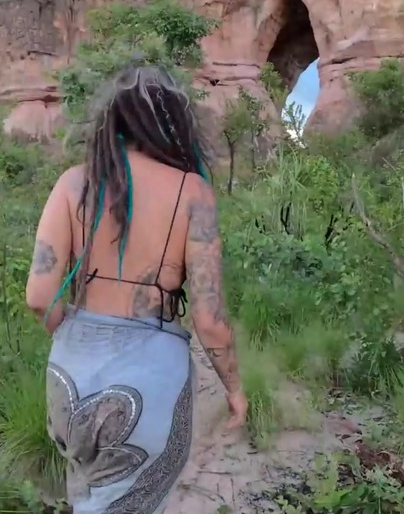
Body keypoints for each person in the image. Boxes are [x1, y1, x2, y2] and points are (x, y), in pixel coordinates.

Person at [24, 63, 248, 514]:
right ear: (174, 123)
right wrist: (234, 389)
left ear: (113, 119)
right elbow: (210, 320)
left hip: (68, 375)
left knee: (87, 497)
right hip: (149, 379)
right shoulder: (192, 193)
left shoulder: (73, 183)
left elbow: (38, 297)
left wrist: (74, 334)